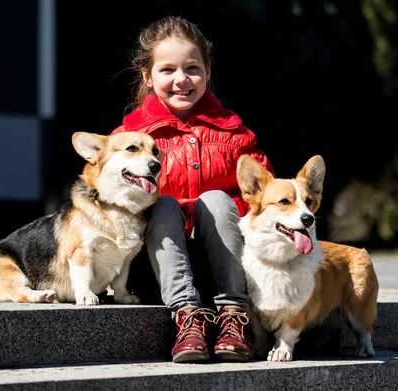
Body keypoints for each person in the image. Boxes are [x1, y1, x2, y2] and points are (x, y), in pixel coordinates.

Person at [111, 15, 275, 363]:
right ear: (147, 76)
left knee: (216, 200)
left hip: (225, 266)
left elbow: (269, 203)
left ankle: (233, 318)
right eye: (167, 69)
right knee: (164, 204)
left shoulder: (235, 136)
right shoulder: (125, 141)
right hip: (154, 269)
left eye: (192, 68)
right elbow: (109, 208)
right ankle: (188, 319)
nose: (181, 80)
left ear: (207, 70)